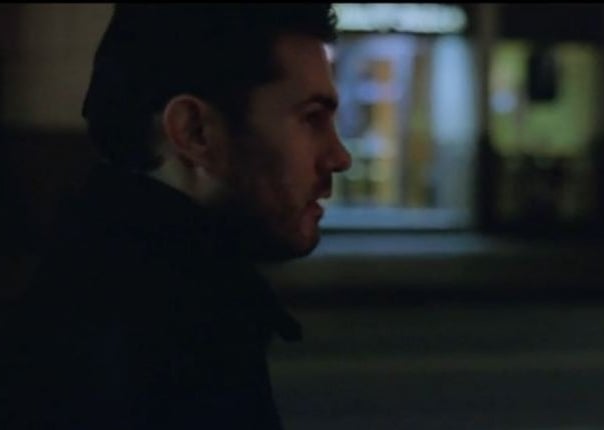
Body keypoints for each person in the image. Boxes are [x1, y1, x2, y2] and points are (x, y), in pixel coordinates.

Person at [3, 4, 351, 429]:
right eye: (311, 119)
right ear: (194, 131)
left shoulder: (99, 289)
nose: (339, 156)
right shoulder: (165, 340)